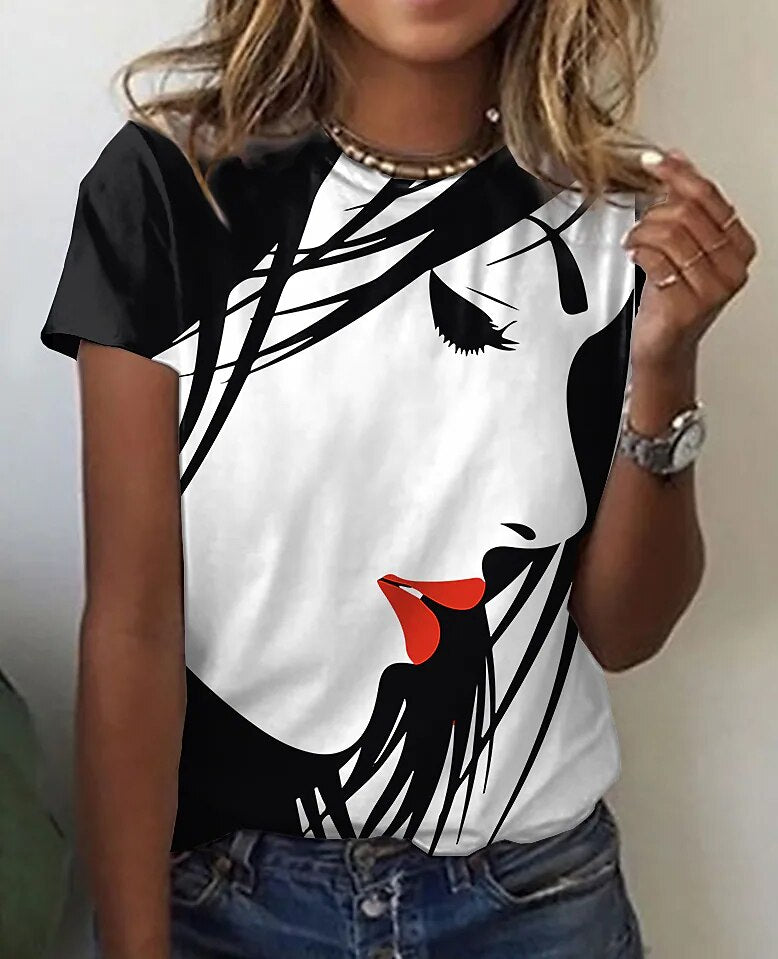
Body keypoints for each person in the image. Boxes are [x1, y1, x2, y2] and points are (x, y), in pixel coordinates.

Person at [40, 1, 757, 957]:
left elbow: (626, 632)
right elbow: (132, 624)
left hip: (535, 901)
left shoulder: (619, 220)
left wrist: (666, 364)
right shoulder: (174, 188)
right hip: (226, 901)